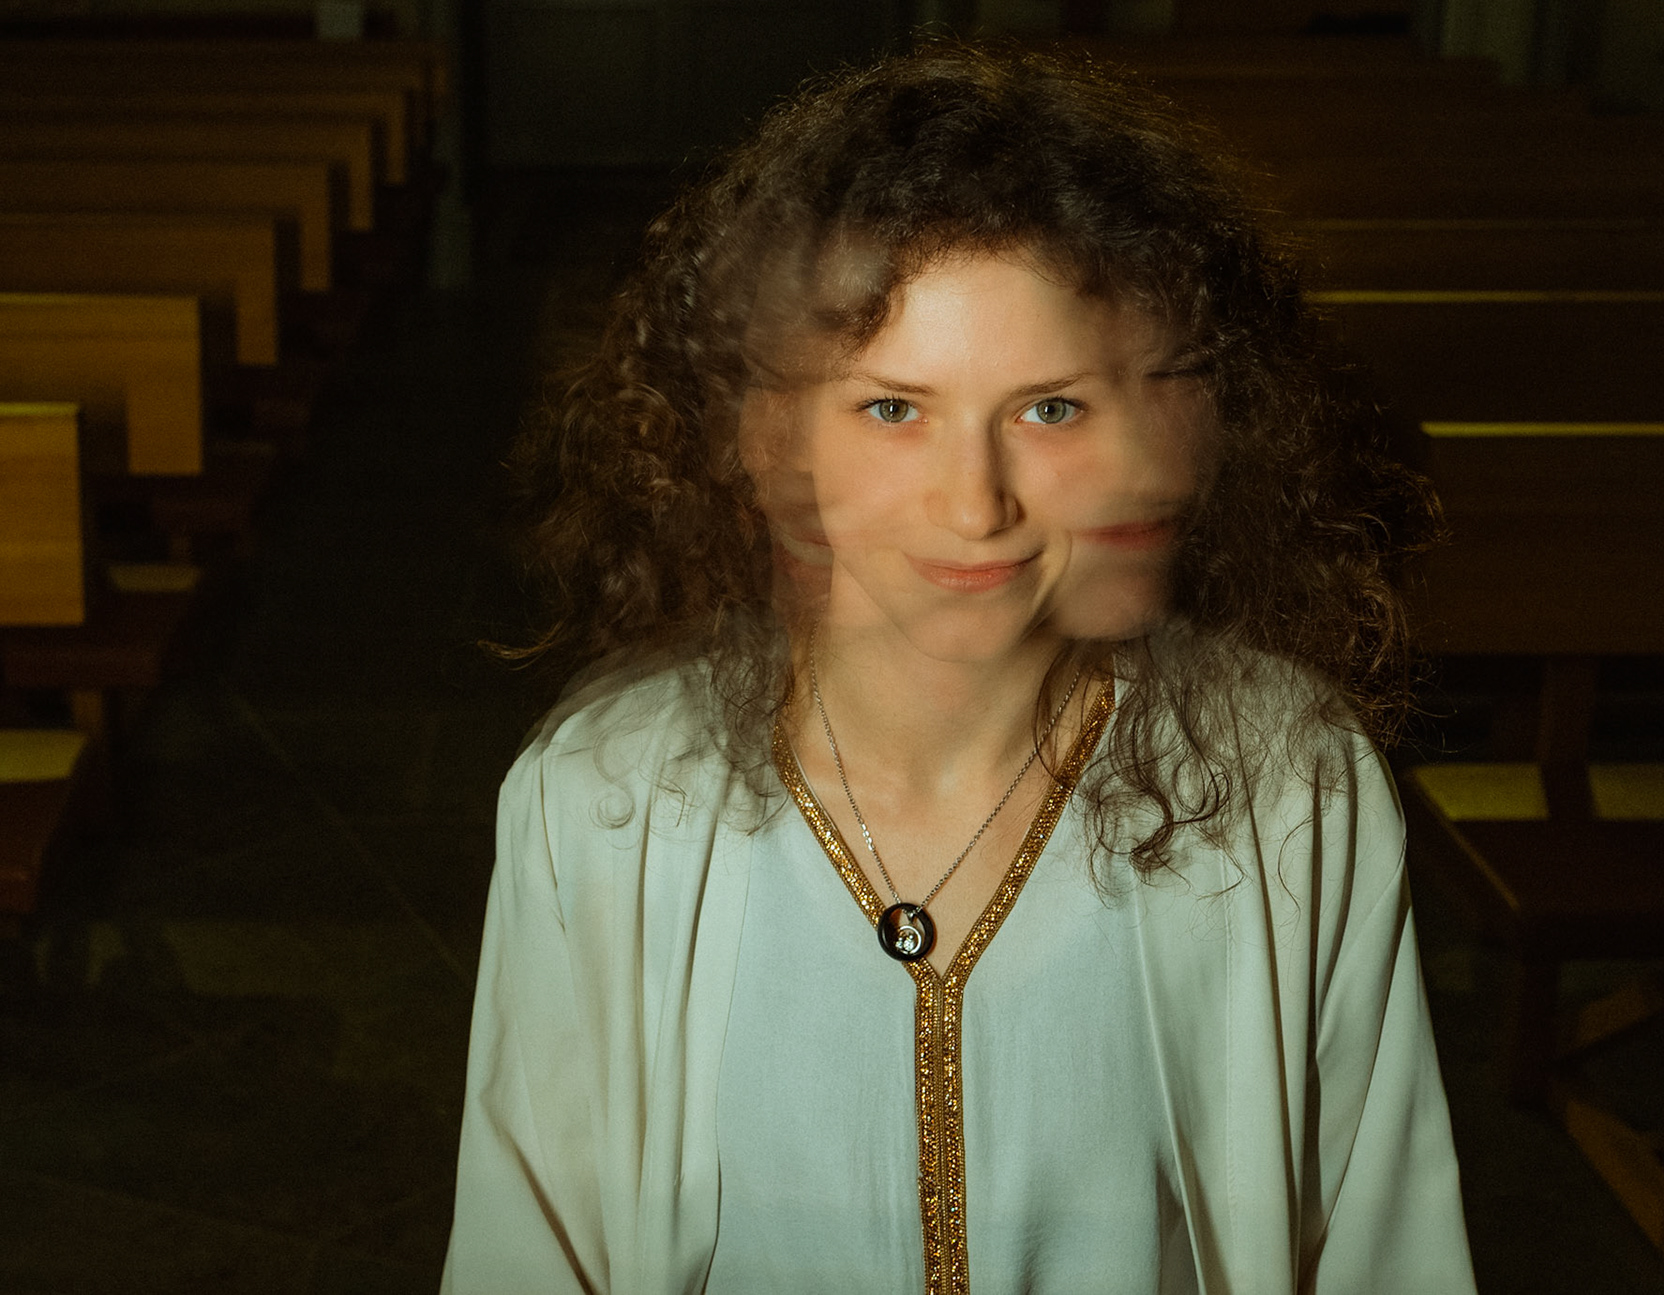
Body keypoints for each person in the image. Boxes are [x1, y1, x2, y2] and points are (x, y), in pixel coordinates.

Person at [442, 41, 1477, 1295]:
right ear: (769, 435)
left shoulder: (1285, 785)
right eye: (893, 408)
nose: (976, 505)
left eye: (1050, 408)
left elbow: (1383, 1249)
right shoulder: (604, 802)